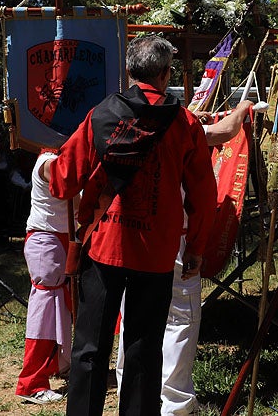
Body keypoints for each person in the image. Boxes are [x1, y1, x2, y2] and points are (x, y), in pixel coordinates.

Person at [50, 35, 217, 416]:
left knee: (90, 348)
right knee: (143, 349)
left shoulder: (102, 113)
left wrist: (49, 162)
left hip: (106, 245)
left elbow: (62, 181)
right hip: (157, 252)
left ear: (129, 71)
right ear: (164, 74)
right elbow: (203, 194)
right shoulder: (185, 122)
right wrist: (196, 248)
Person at [114, 99, 255, 415]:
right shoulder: (178, 126)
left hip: (129, 236)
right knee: (180, 317)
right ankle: (174, 404)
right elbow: (224, 131)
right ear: (164, 75)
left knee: (133, 317)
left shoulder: (116, 118)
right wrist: (243, 108)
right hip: (170, 238)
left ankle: (131, 394)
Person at [15, 149, 72, 405]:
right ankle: (32, 382)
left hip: (58, 238)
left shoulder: (57, 160)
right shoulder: (49, 162)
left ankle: (58, 365)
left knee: (62, 308)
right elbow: (69, 186)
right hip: (47, 239)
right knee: (46, 312)